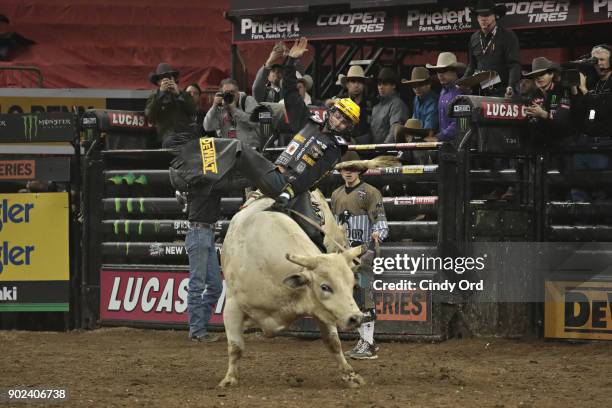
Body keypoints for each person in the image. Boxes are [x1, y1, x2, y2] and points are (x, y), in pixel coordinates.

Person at [171, 37, 362, 252]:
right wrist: (289, 61)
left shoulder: (335, 147)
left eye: (344, 121)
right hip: (274, 175)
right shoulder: (309, 121)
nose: (338, 121)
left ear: (348, 127)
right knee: (236, 159)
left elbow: (313, 174)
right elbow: (290, 94)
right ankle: (190, 177)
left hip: (291, 187)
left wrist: (288, 193)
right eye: (338, 115)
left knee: (315, 236)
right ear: (332, 112)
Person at [332, 155, 389, 359]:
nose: (348, 172)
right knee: (352, 298)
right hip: (344, 254)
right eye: (344, 169)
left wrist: (377, 235)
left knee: (366, 297)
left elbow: (381, 221)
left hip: (364, 252)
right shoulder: (336, 194)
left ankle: (367, 343)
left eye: (353, 169)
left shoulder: (370, 193)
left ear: (360, 171)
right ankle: (367, 342)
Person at [570, 44, 612, 201]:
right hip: (584, 142)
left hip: (604, 144)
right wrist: (575, 90)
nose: (599, 64)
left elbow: (604, 108)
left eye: (602, 59)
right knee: (578, 190)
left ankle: (601, 225)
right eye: (595, 60)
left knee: (601, 192)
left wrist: (584, 89)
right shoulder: (594, 82)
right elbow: (580, 112)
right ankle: (578, 224)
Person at [463, 0, 521, 97]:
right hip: (480, 92)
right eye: (480, 16)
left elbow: (514, 64)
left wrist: (511, 86)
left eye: (487, 15)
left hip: (502, 91)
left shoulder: (508, 36)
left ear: (495, 16)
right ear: (477, 18)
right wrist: (463, 81)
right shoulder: (474, 38)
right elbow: (471, 65)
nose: (483, 19)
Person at [523, 57, 574, 145]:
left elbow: (562, 121)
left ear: (551, 74)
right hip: (539, 145)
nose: (539, 77)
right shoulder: (531, 94)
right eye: (536, 75)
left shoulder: (562, 90)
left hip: (561, 145)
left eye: (542, 74)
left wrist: (543, 114)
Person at [145, 62, 197, 148]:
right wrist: (161, 94)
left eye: (170, 77)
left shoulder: (184, 95)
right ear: (158, 82)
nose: (168, 81)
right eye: (164, 79)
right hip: (168, 137)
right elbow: (150, 116)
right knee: (172, 142)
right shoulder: (154, 97)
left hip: (187, 135)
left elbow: (193, 111)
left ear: (174, 79)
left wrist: (178, 95)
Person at [204, 78, 261, 150]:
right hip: (230, 151)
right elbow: (208, 127)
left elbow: (254, 122)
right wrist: (214, 106)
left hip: (249, 150)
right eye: (227, 93)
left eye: (232, 92)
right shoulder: (220, 107)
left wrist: (233, 109)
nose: (230, 95)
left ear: (237, 92)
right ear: (222, 94)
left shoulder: (247, 101)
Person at [426, 52, 465, 143]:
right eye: (438, 71)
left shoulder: (460, 92)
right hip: (446, 144)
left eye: (444, 70)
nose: (440, 75)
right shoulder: (442, 92)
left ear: (454, 71)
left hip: (458, 144)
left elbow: (459, 124)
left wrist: (439, 137)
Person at [371, 67, 409, 144]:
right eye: (379, 84)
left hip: (390, 152)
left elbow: (394, 131)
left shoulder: (397, 104)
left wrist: (383, 149)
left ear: (393, 85)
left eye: (385, 84)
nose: (381, 87)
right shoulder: (376, 107)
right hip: (376, 151)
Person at [402, 66, 439, 131]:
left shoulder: (434, 101)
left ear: (429, 84)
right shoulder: (416, 99)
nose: (417, 88)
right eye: (414, 85)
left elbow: (429, 128)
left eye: (420, 84)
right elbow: (414, 121)